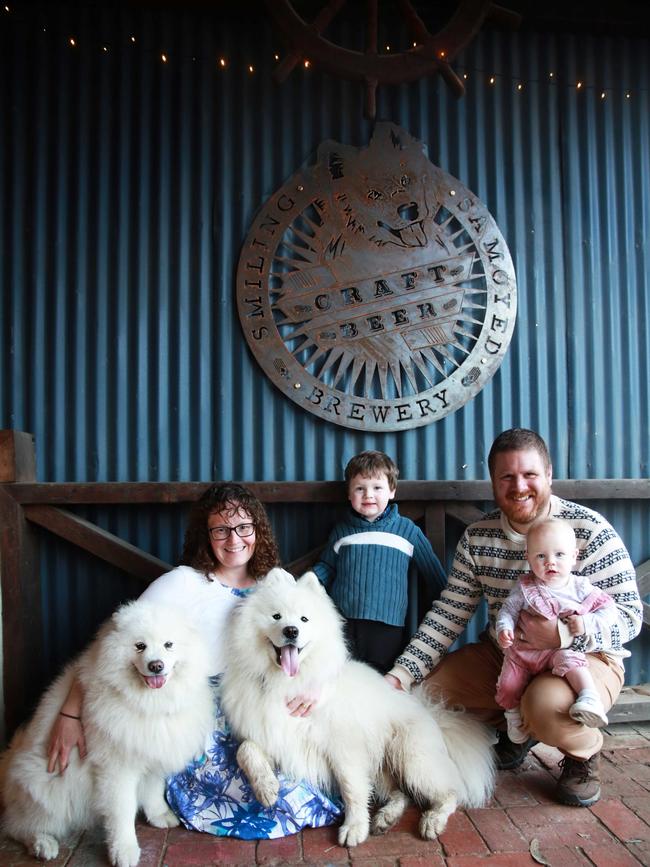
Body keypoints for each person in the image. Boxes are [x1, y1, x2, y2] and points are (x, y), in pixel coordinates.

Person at [47, 483, 342, 839]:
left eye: (244, 527)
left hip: (261, 707)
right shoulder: (183, 583)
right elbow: (115, 643)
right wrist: (70, 712)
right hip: (201, 715)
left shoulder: (273, 586)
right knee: (263, 801)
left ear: (257, 531)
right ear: (207, 535)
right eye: (221, 529)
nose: (234, 539)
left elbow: (321, 638)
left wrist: (321, 688)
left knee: (306, 783)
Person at [386, 429, 642, 808]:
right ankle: (517, 731)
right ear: (493, 482)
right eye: (506, 477)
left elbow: (630, 615)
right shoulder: (478, 538)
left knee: (546, 707)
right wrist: (401, 675)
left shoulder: (589, 529)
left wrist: (562, 634)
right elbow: (448, 614)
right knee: (427, 695)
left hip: (585, 658)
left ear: (549, 475)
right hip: (508, 655)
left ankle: (583, 754)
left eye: (529, 475)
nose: (518, 486)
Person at [312, 450, 446, 673]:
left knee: (381, 676)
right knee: (343, 674)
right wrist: (310, 581)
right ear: (349, 493)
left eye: (377, 487)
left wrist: (441, 611)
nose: (368, 495)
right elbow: (327, 566)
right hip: (343, 621)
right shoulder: (342, 530)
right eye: (359, 488)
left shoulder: (406, 531)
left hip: (387, 625)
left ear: (392, 491)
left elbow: (433, 574)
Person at [496, 517, 620, 743]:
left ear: (574, 556)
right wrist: (504, 628)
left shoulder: (580, 587)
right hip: (525, 653)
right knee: (508, 685)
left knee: (572, 662)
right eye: (541, 556)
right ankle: (513, 716)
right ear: (528, 558)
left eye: (559, 555)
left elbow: (610, 611)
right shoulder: (525, 588)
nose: (550, 562)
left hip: (559, 651)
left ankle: (589, 697)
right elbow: (508, 610)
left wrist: (586, 623)